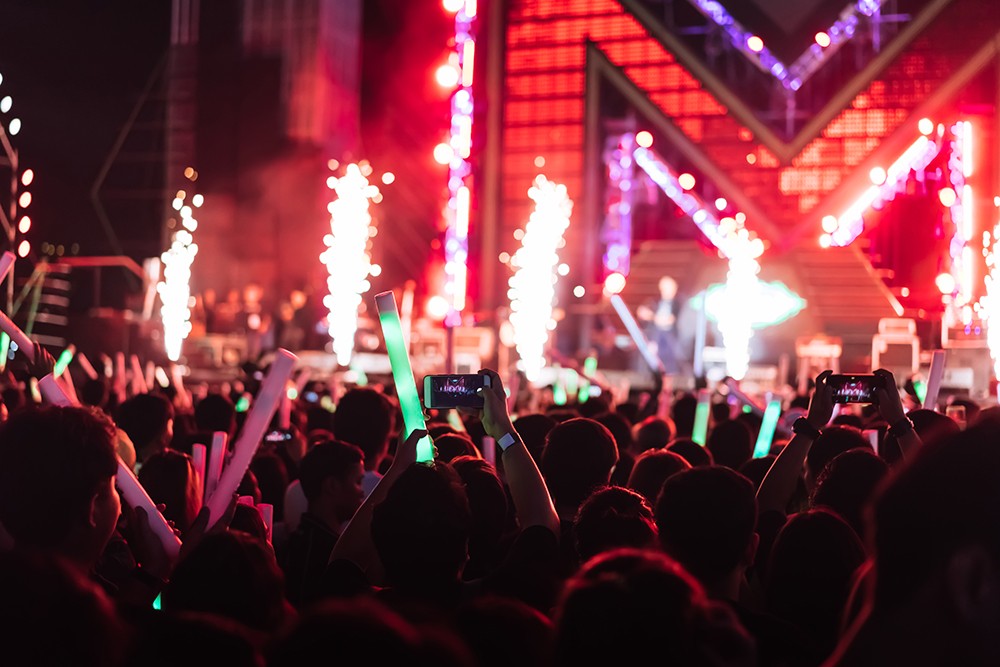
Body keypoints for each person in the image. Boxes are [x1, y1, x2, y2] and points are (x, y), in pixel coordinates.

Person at [279, 439, 365, 607]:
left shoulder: (299, 541)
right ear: (332, 486)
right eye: (357, 481)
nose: (362, 492)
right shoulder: (321, 553)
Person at [636, 275, 684, 375]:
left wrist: (652, 317)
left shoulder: (678, 303)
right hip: (655, 338)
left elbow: (669, 320)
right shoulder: (655, 302)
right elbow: (642, 313)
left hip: (670, 341)